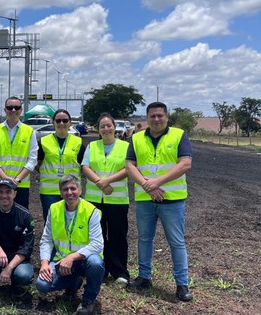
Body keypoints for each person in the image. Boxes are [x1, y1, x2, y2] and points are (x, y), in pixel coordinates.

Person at [125, 102, 193, 302]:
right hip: (145, 200)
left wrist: (157, 182)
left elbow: (185, 163)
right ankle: (144, 277)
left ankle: (182, 284)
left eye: (160, 115)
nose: (156, 119)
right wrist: (148, 186)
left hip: (172, 201)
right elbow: (130, 165)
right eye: (152, 116)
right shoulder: (136, 138)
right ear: (147, 118)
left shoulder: (179, 135)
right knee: (144, 239)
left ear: (167, 117)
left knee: (176, 242)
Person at [36, 174, 104, 315]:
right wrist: (44, 263)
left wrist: (72, 257)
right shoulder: (54, 209)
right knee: (42, 285)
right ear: (60, 193)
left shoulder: (91, 210)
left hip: (85, 260)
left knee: (96, 263)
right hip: (61, 261)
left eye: (73, 188)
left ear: (80, 190)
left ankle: (88, 300)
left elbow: (97, 244)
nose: (69, 192)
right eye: (65, 189)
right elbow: (47, 239)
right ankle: (73, 282)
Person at [81, 113, 130, 284]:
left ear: (115, 128)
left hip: (117, 200)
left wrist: (106, 182)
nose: (106, 129)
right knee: (97, 235)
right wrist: (100, 183)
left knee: (118, 236)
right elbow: (85, 167)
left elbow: (129, 168)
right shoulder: (92, 146)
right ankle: (100, 270)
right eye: (102, 126)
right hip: (94, 200)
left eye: (109, 125)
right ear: (98, 130)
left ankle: (120, 272)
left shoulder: (125, 146)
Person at [0, 96, 38, 209]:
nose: (13, 110)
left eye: (16, 107)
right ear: (5, 110)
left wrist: (16, 180)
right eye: (10, 108)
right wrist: (5, 179)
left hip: (21, 184)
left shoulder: (30, 131)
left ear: (21, 110)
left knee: (20, 216)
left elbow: (33, 160)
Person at [37, 109, 85, 221]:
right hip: (49, 192)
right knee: (52, 221)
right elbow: (38, 164)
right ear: (53, 122)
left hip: (71, 190)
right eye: (58, 121)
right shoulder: (43, 142)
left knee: (73, 221)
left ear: (70, 123)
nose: (61, 123)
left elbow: (83, 165)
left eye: (65, 120)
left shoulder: (78, 142)